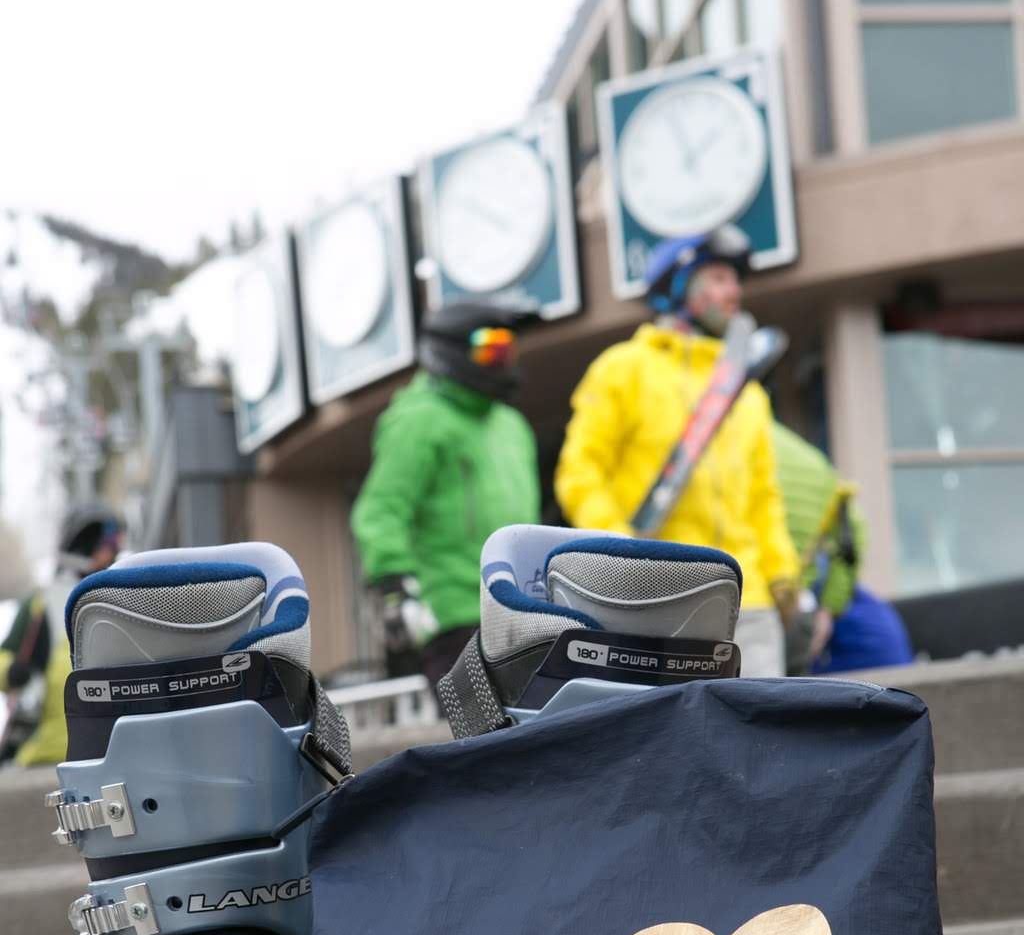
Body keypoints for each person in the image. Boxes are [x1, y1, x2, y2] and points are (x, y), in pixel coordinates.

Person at [554, 226, 799, 677]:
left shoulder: (746, 393)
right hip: (660, 596)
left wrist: (783, 575)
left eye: (735, 280)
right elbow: (579, 474)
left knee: (762, 723)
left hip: (749, 601)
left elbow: (764, 496)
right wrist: (620, 553)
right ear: (680, 286)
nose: (735, 292)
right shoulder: (623, 369)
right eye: (719, 279)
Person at [351, 300, 541, 687]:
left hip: (522, 613)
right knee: (483, 727)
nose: (503, 360)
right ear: (449, 349)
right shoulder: (419, 418)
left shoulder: (512, 426)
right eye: (490, 348)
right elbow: (380, 510)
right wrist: (395, 590)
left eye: (508, 348)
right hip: (454, 617)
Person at [772, 421, 913, 674]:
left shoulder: (734, 443)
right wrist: (829, 609)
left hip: (762, 604)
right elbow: (852, 530)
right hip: (793, 603)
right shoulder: (810, 459)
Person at [0, 501, 123, 766]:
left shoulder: (121, 598)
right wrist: (11, 671)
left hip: (111, 750)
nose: (112, 551)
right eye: (106, 544)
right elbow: (3, 658)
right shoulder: (41, 605)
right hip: (46, 757)